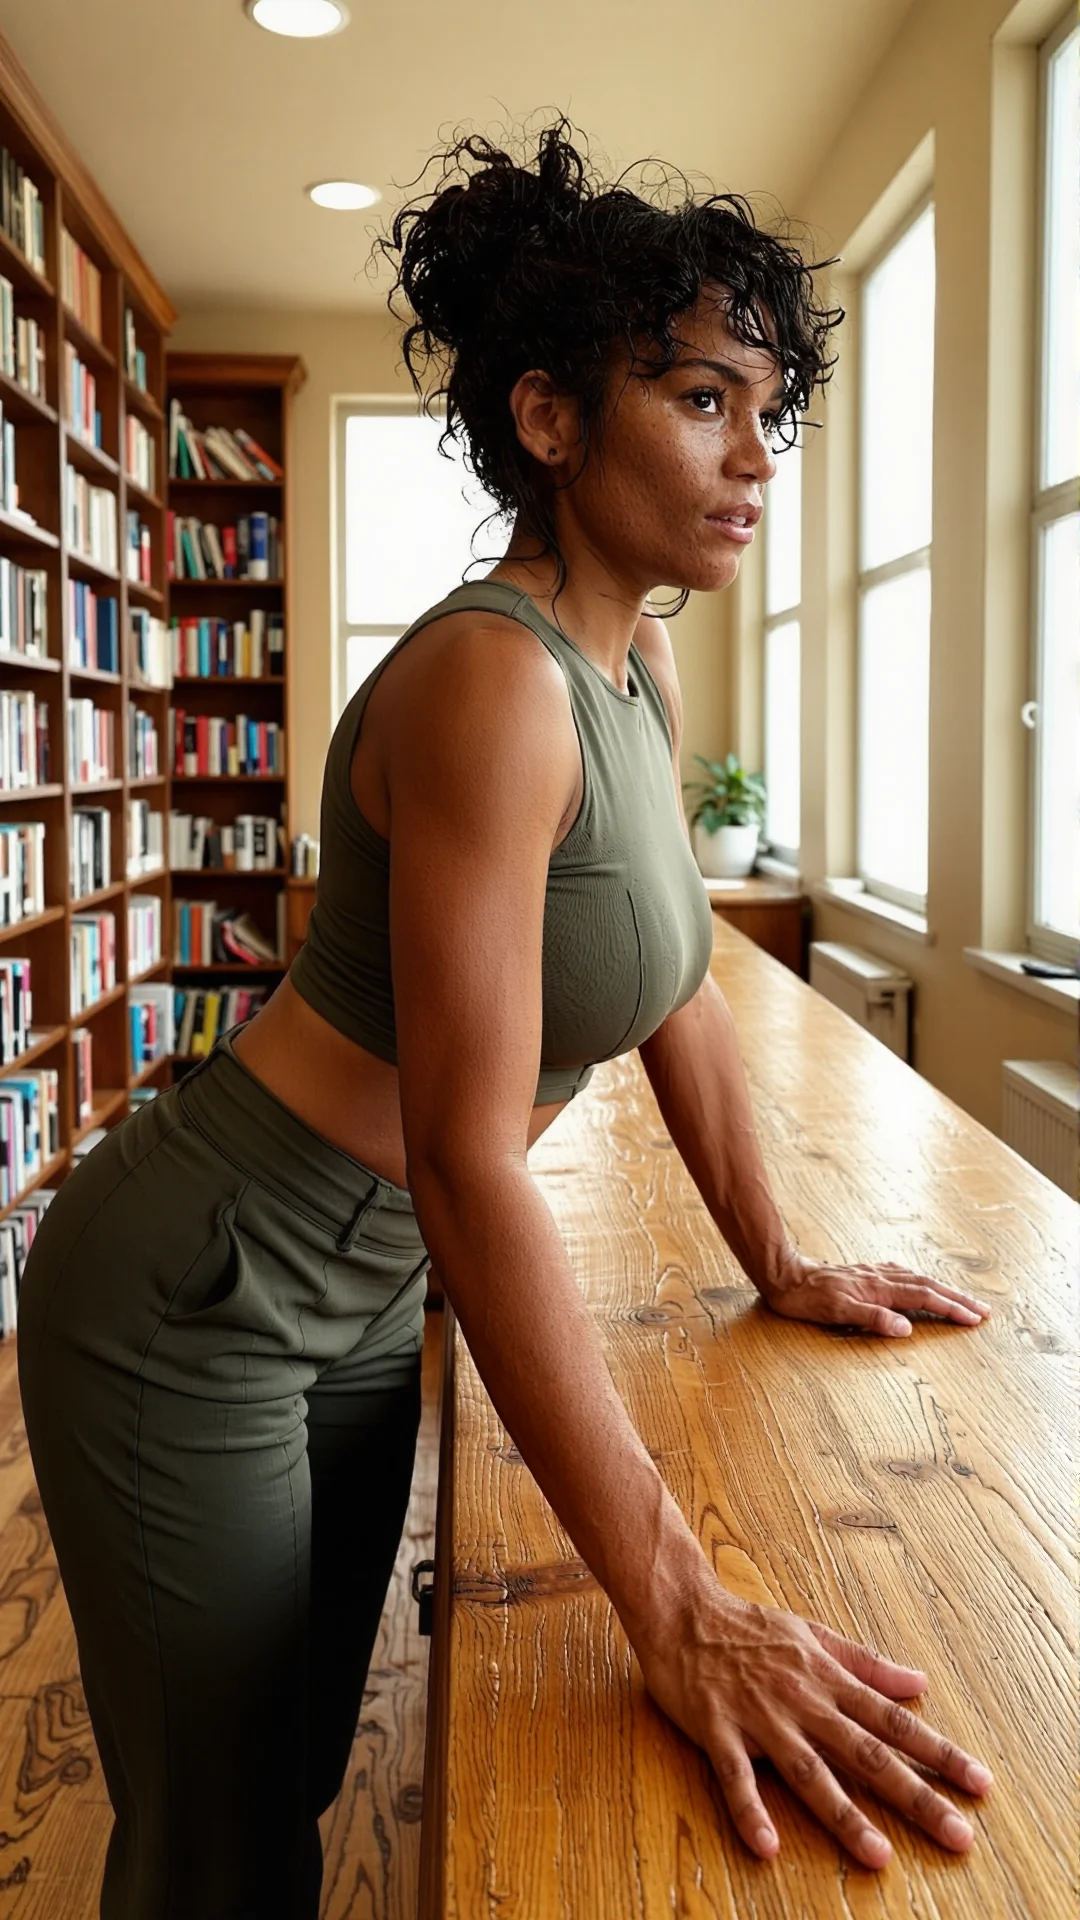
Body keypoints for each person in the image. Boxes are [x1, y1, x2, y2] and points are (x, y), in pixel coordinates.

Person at [17, 119, 994, 1919]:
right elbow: (474, 1163)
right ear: (550, 420)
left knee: (299, 1756)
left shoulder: (629, 650)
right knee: (213, 1838)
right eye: (702, 399)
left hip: (373, 1281)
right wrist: (677, 1603)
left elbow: (679, 977)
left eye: (766, 409)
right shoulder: (493, 680)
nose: (753, 457)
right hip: (204, 1283)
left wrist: (779, 1256)